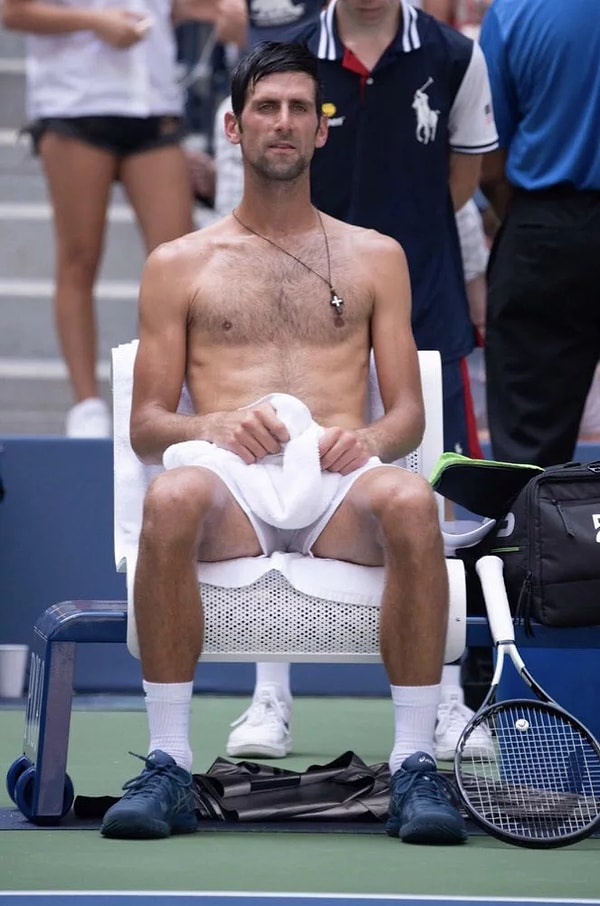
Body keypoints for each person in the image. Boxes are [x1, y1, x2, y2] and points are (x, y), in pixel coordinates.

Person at [99, 41, 467, 845]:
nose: (284, 122)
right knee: (171, 494)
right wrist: (211, 424)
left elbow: (406, 414)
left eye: (301, 108)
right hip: (230, 485)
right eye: (266, 107)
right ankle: (168, 764)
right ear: (234, 127)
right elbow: (147, 426)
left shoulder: (376, 256)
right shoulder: (179, 263)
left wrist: (368, 436)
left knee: (412, 501)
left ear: (322, 130)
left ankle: (414, 766)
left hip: (336, 484)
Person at [227, 0, 498, 761]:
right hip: (308, 315)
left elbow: (462, 180)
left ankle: (447, 699)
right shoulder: (286, 58)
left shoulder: (455, 55)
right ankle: (269, 697)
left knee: (436, 500)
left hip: (427, 305)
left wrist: (382, 267)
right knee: (276, 480)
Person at [1, 0, 212, 437]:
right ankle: (86, 405)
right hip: (77, 101)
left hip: (153, 98)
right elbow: (15, 11)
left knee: (180, 264)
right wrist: (95, 22)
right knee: (78, 258)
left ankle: (163, 396)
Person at [479, 0, 600, 467]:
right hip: (544, 223)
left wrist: (530, 218)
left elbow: (490, 158)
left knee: (529, 453)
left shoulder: (515, 12)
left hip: (545, 229)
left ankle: (530, 516)